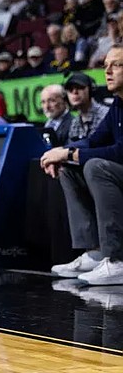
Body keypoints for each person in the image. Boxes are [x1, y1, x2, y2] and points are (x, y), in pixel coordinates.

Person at [42, 44, 123, 285]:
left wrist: (71, 153)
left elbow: (120, 152)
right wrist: (61, 152)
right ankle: (95, 251)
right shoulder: (118, 104)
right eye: (105, 66)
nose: (107, 72)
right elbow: (95, 139)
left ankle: (117, 259)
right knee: (69, 169)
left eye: (116, 65)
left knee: (95, 166)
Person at [65, 72, 109, 143]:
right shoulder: (75, 123)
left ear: (91, 90)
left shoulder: (106, 115)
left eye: (80, 87)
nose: (75, 92)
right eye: (70, 89)